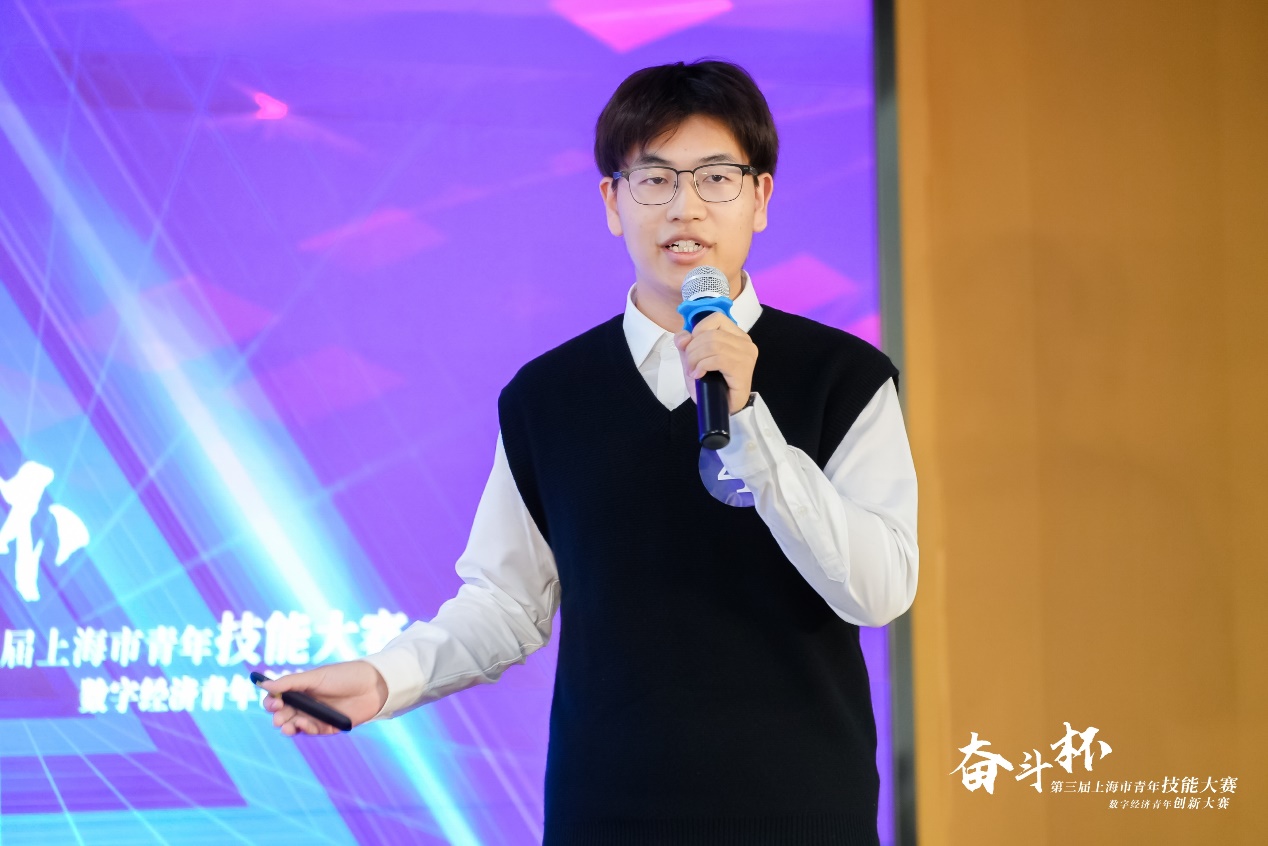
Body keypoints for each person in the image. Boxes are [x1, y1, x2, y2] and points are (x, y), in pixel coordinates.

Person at [260, 59, 918, 846]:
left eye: (716, 178)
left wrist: (749, 421)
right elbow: (505, 604)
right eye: (655, 180)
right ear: (613, 202)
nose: (685, 207)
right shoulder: (548, 397)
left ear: (761, 198)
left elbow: (879, 591)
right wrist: (381, 680)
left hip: (800, 816)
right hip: (604, 816)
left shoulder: (845, 378)